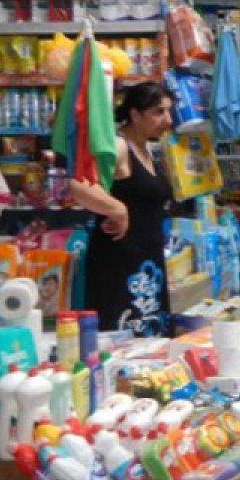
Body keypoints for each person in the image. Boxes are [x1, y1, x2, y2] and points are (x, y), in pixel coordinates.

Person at [68, 82, 174, 336]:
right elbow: (78, 184)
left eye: (169, 111)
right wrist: (116, 209)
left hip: (148, 263)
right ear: (135, 114)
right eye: (159, 112)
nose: (168, 120)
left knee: (150, 339)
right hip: (118, 262)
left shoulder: (148, 150)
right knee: (120, 337)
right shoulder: (119, 146)